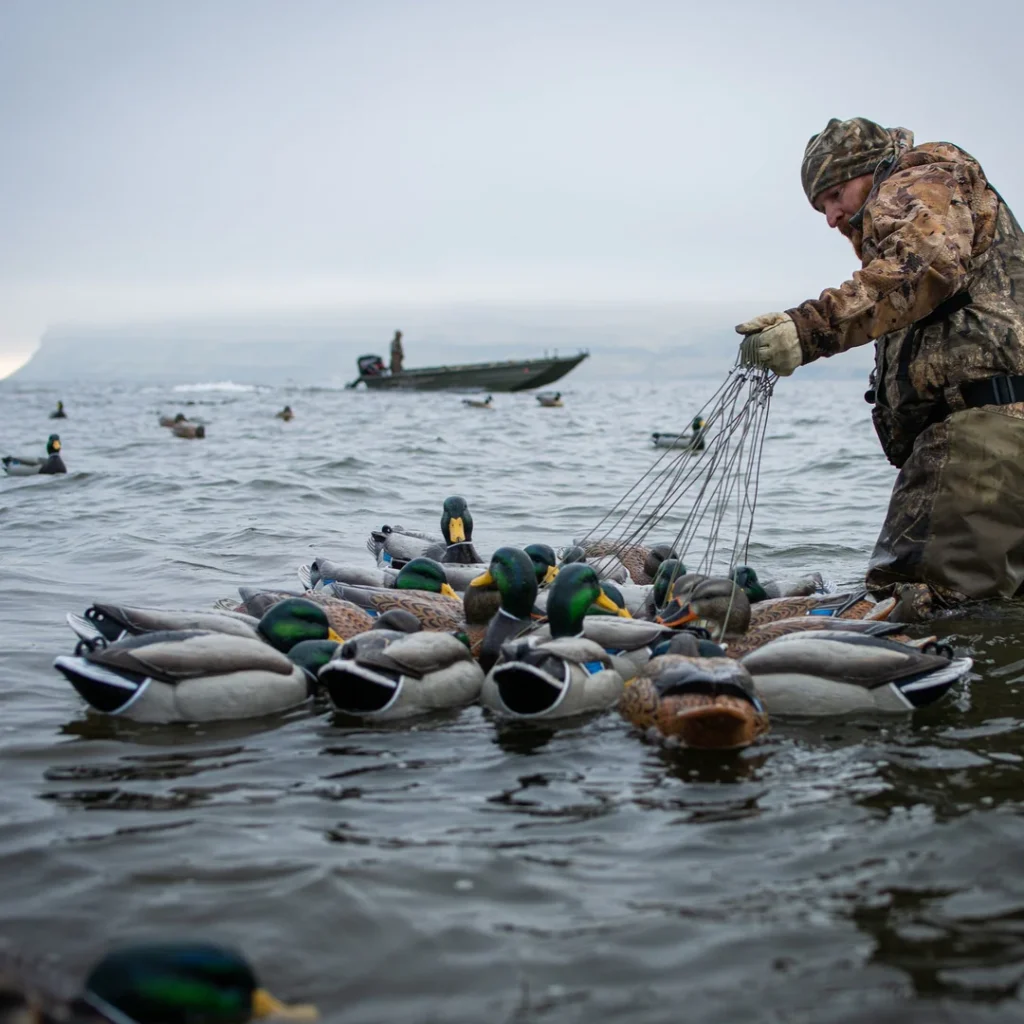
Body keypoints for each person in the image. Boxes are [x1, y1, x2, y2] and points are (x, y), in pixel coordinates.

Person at [736, 117, 1024, 620]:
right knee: (994, 617)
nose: (830, 217)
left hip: (982, 439)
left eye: (835, 194)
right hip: (999, 439)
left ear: (870, 170)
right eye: (820, 206)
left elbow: (924, 266)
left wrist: (807, 330)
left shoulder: (917, 181)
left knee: (914, 610)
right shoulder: (923, 201)